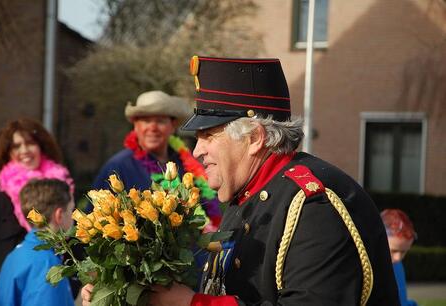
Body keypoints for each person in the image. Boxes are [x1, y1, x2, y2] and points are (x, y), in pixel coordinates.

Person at [82, 56, 400, 306]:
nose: (198, 151)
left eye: (208, 136)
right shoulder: (248, 193)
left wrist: (194, 305)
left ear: (254, 138)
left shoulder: (315, 206)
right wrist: (129, 288)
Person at [91, 90, 221, 230]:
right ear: (136, 126)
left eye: (160, 121)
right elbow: (96, 220)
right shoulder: (118, 166)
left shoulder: (187, 162)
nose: (153, 128)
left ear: (172, 126)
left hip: (195, 249)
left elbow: (207, 205)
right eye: (146, 121)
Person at [0, 118, 74, 304]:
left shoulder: (61, 189)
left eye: (30, 143)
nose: (24, 150)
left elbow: (75, 246)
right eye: (16, 146)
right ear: (7, 153)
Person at [0, 178, 75, 306]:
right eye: (72, 210)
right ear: (59, 215)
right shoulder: (47, 264)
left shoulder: (16, 254)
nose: (74, 218)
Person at [381, 209, 418, 306]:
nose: (398, 258)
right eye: (393, 250)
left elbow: (401, 301)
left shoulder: (396, 265)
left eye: (404, 251)